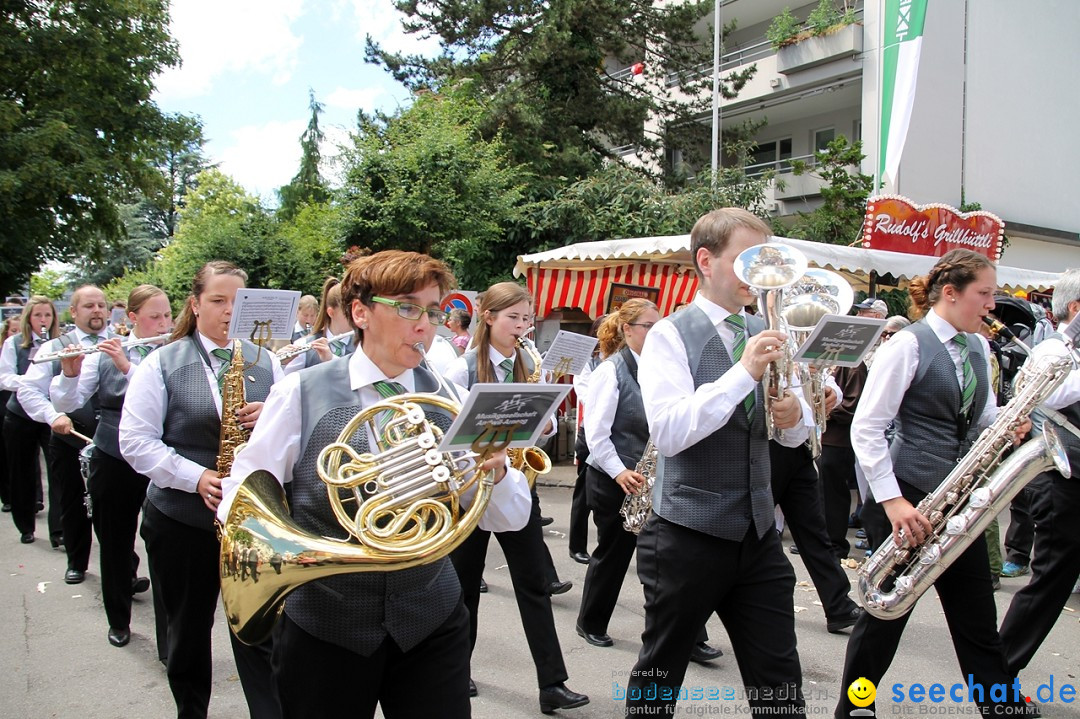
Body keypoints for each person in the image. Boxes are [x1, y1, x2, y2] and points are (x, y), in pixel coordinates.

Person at [215, 250, 532, 719]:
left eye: (432, 311)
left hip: (431, 617)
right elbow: (244, 492)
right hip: (327, 622)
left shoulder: (453, 396)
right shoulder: (300, 391)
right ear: (360, 312)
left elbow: (509, 518)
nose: (424, 325)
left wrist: (499, 471)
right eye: (407, 307)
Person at [834, 249, 1033, 717]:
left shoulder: (978, 347)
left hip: (958, 497)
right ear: (951, 293)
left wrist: (1008, 422)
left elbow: (978, 417)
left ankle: (998, 706)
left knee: (976, 616)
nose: (991, 304)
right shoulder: (907, 345)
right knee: (886, 614)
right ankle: (854, 707)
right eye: (984, 293)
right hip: (907, 496)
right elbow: (867, 427)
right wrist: (892, 502)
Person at [629, 208, 810, 717]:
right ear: (706, 261)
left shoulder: (769, 328)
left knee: (780, 682)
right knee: (660, 674)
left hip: (757, 536)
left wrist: (796, 414)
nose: (760, 277)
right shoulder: (668, 334)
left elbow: (797, 437)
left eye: (765, 263)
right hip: (688, 533)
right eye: (746, 262)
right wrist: (744, 373)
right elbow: (668, 432)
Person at [119, 262, 282, 719]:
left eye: (238, 301)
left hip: (249, 523)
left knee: (260, 633)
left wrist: (270, 413)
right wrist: (195, 477)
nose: (230, 311)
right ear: (195, 304)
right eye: (217, 300)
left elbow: (293, 435)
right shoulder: (161, 362)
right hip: (182, 521)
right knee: (186, 632)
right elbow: (135, 440)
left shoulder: (267, 360)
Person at [445, 281, 589, 714]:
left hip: (513, 486)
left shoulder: (530, 361)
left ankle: (552, 684)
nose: (523, 327)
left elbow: (540, 426)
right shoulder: (461, 368)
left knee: (533, 585)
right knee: (464, 589)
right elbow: (450, 436)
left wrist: (543, 426)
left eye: (528, 318)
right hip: (470, 491)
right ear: (488, 317)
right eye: (515, 318)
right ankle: (456, 672)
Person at [51, 285, 171, 648]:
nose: (163, 323)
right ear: (132, 318)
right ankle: (118, 620)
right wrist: (70, 373)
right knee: (115, 544)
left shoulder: (173, 353)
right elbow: (68, 401)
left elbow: (170, 398)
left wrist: (128, 366)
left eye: (167, 315)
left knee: (165, 549)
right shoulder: (103, 353)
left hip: (160, 459)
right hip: (113, 455)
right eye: (154, 317)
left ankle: (170, 638)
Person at [998, 268, 1080, 677]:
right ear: (1077, 309)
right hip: (1061, 480)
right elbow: (1047, 391)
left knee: (1055, 582)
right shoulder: (1054, 351)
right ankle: (999, 673)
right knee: (1049, 583)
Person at [18, 285, 111, 582]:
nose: (97, 311)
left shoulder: (119, 344)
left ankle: (121, 570)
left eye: (101, 305)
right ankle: (77, 561)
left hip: (111, 439)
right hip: (70, 436)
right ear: (74, 312)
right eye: (89, 306)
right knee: (72, 502)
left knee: (115, 508)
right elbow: (29, 390)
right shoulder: (55, 347)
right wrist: (53, 415)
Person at [2, 297, 60, 543]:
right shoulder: (15, 343)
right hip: (20, 415)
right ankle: (25, 525)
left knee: (59, 472)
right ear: (29, 319)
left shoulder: (58, 343)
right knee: (22, 470)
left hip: (50, 414)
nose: (43, 321)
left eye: (47, 316)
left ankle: (59, 530)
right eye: (38, 316)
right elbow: (4, 377)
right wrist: (30, 383)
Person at [568, 314, 606, 565]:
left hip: (616, 434)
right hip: (590, 432)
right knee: (584, 492)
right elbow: (585, 393)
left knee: (611, 494)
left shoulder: (627, 359)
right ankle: (576, 545)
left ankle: (607, 543)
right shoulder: (588, 361)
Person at [280, 277, 354, 375]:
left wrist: (332, 359)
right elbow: (283, 383)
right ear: (331, 313)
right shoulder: (304, 344)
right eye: (348, 313)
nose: (355, 317)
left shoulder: (364, 345)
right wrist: (280, 364)